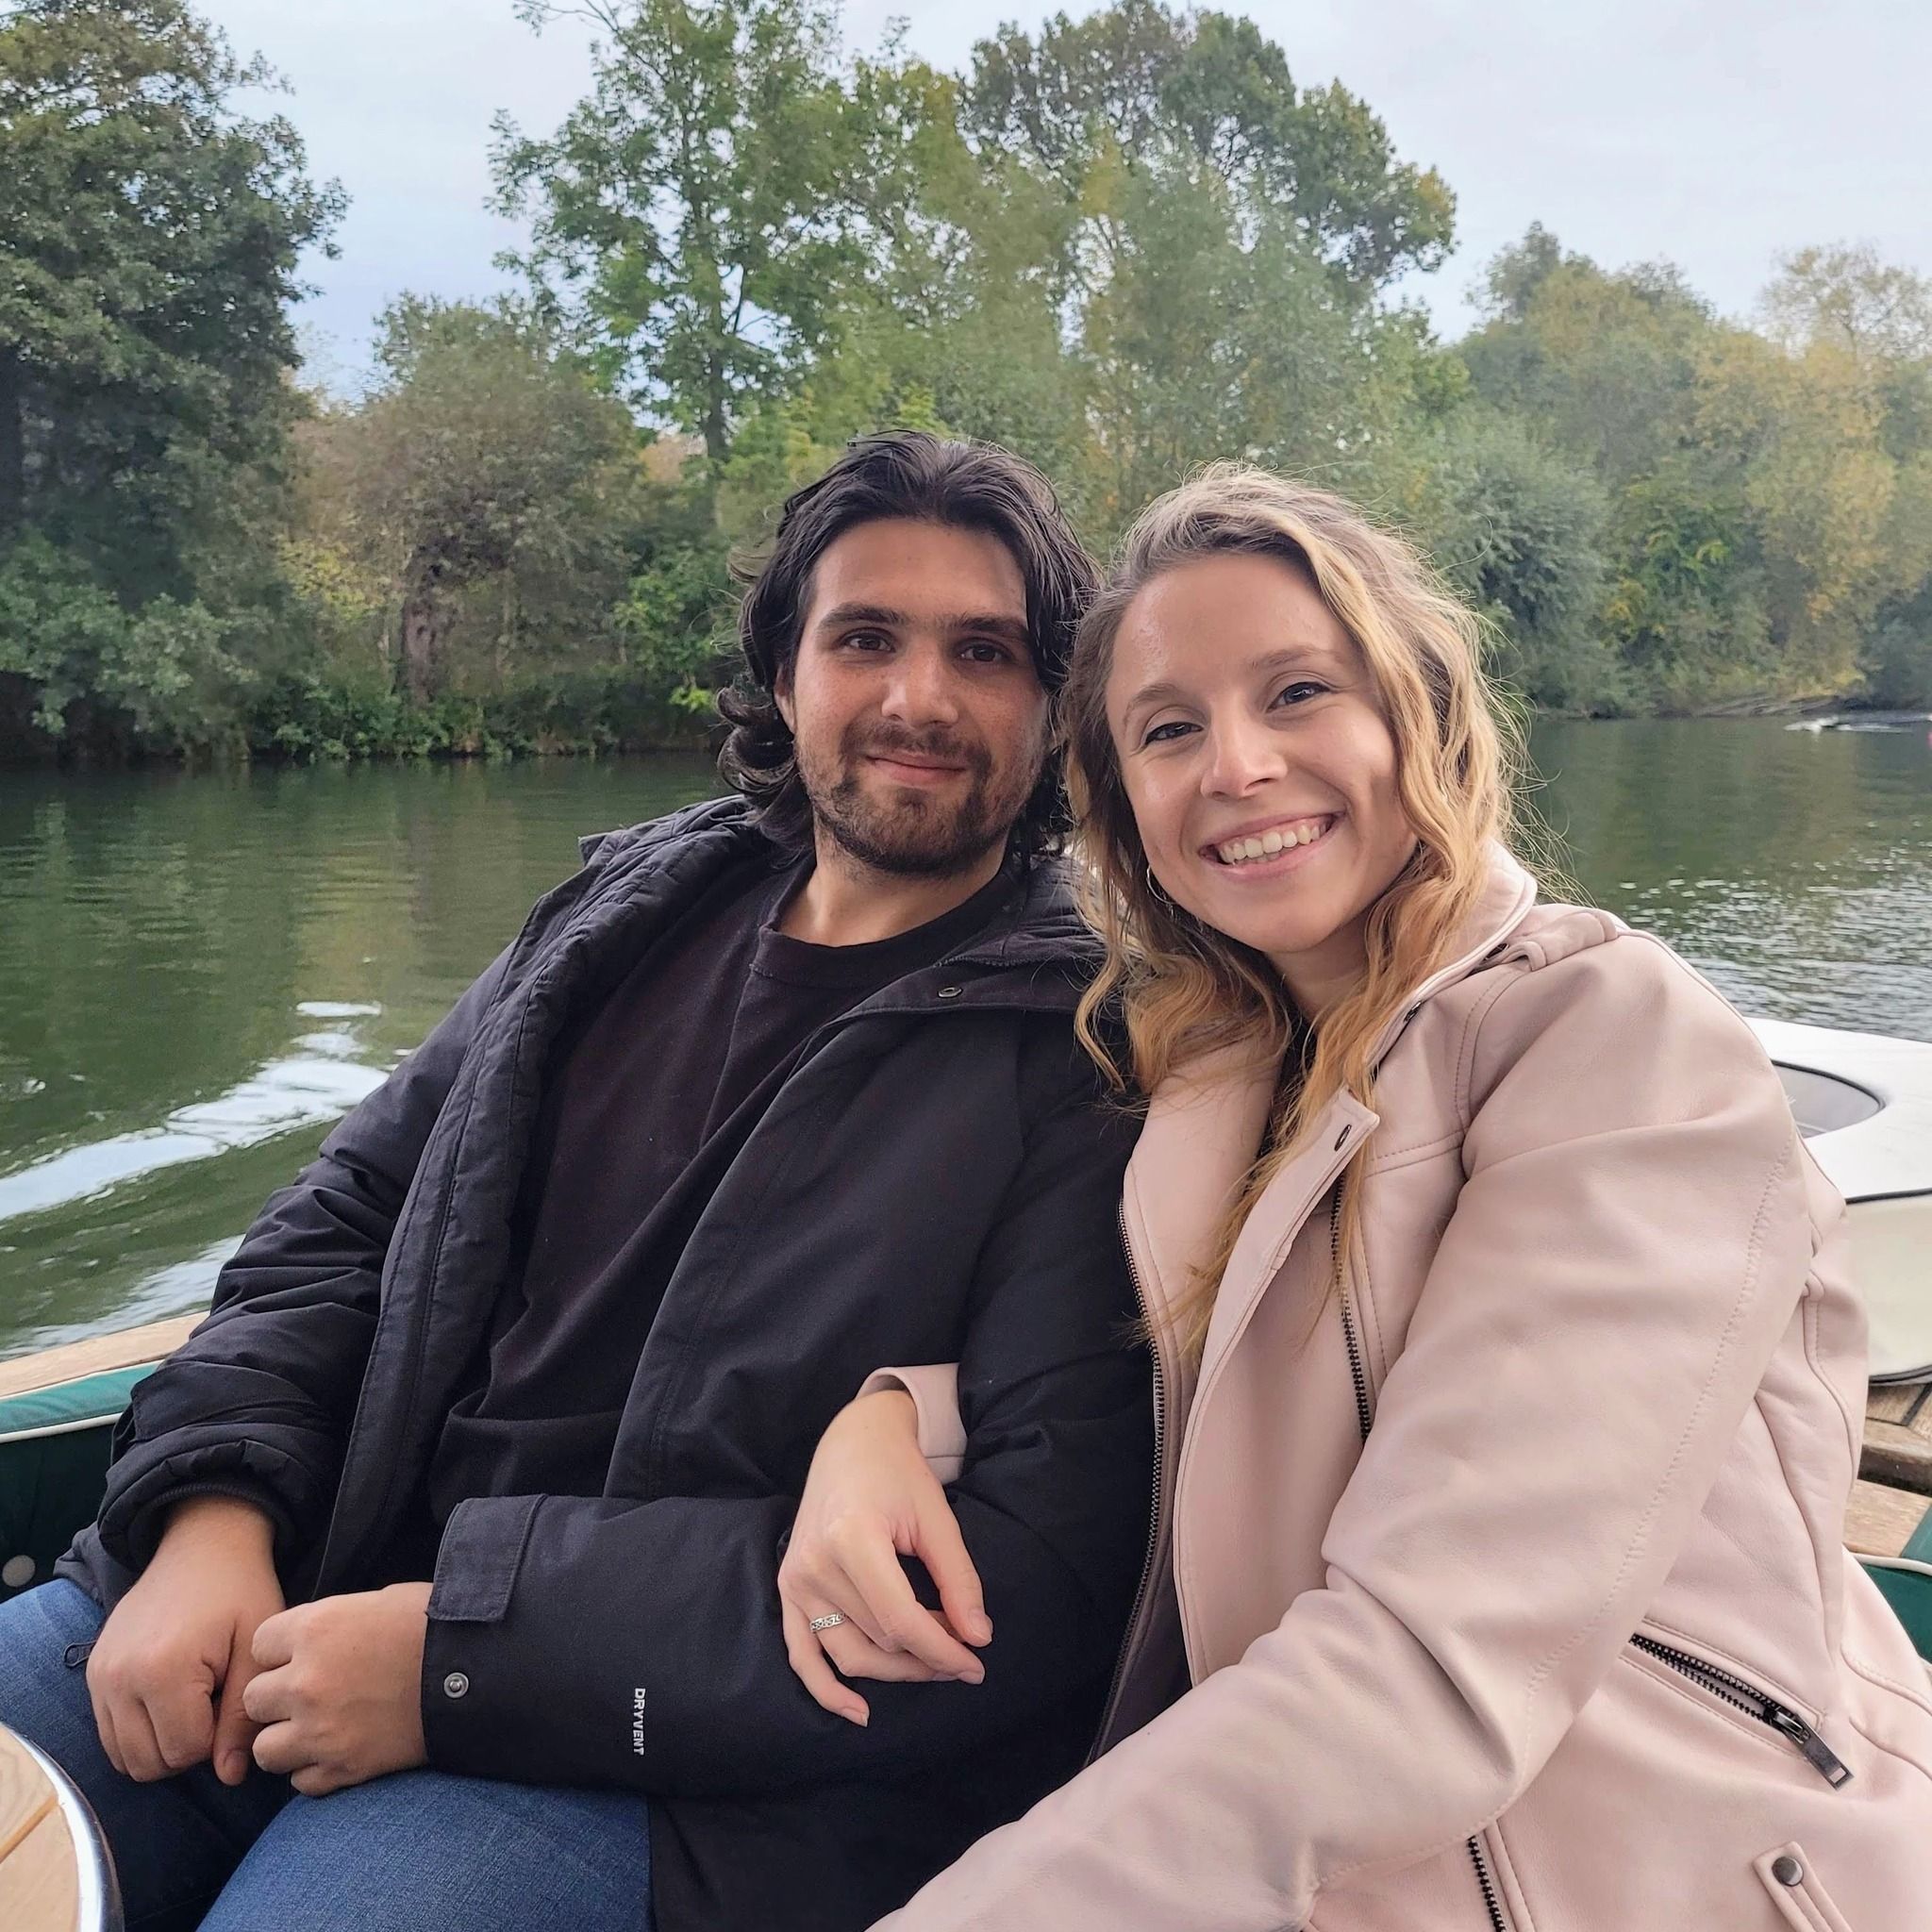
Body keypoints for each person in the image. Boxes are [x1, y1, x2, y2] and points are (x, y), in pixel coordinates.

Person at [0, 432, 1156, 1932]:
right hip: (303, 1581)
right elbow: (341, 1222)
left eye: (983, 652)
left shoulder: (1089, 1046)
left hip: (660, 1764)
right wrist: (209, 1515)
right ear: (786, 672)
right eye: (864, 637)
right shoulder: (626, 908)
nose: (917, 698)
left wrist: (461, 1661)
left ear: (1054, 703)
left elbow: (1031, 1568)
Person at [778, 465, 1932, 1930]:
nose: (1238, 765)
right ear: (1127, 810)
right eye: (1169, 729)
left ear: (1416, 713)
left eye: (1299, 693)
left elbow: (1432, 1662)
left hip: (1659, 1878)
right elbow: (1190, 1392)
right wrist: (894, 1419)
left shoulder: (1617, 1048)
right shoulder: (1212, 1074)